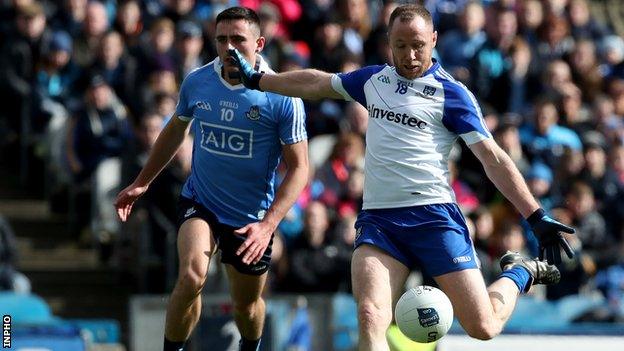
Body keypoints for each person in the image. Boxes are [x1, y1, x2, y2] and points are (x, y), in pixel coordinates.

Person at [229, 4, 575, 349]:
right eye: (400, 45)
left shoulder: (451, 94)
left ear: (435, 40)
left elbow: (494, 159)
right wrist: (260, 79)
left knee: (483, 326)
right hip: (380, 222)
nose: (409, 55)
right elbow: (317, 82)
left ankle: (519, 272)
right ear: (388, 43)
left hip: (435, 219)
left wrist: (535, 214)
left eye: (418, 45)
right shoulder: (373, 80)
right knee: (369, 316)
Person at [114, 7, 308, 351]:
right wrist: (142, 181)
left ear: (259, 43)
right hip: (200, 200)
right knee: (191, 277)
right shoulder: (197, 81)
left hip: (251, 217)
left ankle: (251, 346)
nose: (229, 47)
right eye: (222, 39)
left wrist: (268, 225)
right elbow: (175, 129)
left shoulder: (282, 96)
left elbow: (300, 168)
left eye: (238, 39)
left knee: (246, 306)